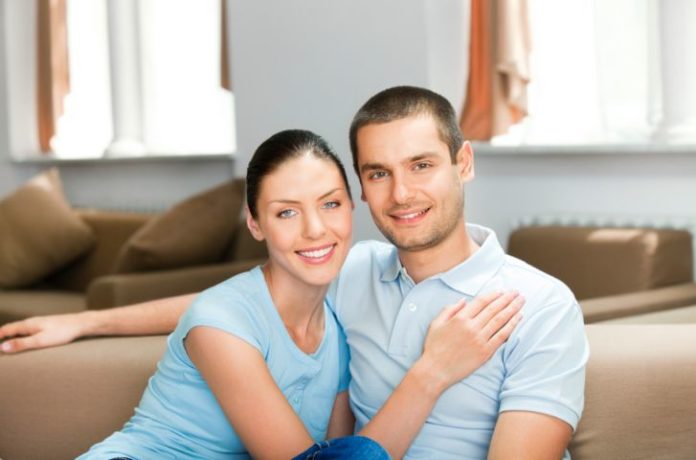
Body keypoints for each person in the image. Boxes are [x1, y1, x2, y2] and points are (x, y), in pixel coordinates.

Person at [1, 86, 587, 459]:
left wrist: (88, 321)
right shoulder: (355, 271)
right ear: (363, 186)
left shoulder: (537, 303)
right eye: (379, 173)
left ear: (463, 163)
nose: (401, 192)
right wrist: (85, 322)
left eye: (422, 165)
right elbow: (233, 309)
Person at [73, 129, 522, 459]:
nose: (315, 230)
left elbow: (338, 450)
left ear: (353, 204)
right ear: (254, 223)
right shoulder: (219, 324)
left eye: (330, 204)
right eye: (286, 212)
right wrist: (433, 371)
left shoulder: (340, 316)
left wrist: (84, 321)